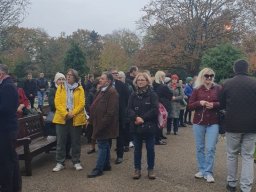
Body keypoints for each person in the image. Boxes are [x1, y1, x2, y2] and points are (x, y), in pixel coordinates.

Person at [219, 59, 256, 192]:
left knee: (232, 154)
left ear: (235, 69)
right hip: (252, 126)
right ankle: (246, 187)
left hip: (233, 124)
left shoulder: (227, 84)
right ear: (247, 69)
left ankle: (232, 183)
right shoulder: (254, 83)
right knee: (248, 156)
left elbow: (221, 104)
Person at [188, 68, 220, 183]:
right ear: (202, 76)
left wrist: (214, 104)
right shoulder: (196, 89)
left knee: (211, 148)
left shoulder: (218, 88)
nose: (209, 78)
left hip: (213, 122)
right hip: (199, 122)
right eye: (207, 76)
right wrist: (199, 103)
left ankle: (208, 172)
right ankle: (202, 169)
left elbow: (223, 103)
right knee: (200, 147)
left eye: (211, 75)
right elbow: (190, 106)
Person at [52, 69, 87, 172]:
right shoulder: (61, 87)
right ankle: (60, 162)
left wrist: (72, 113)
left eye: (70, 75)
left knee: (76, 141)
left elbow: (82, 103)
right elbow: (57, 102)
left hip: (75, 117)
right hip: (62, 117)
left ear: (75, 77)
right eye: (67, 75)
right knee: (61, 141)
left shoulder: (80, 88)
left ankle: (76, 161)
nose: (68, 77)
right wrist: (66, 113)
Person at [87, 72, 119, 178]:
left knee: (101, 145)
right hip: (99, 123)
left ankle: (98, 169)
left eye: (102, 78)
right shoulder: (101, 90)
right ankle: (106, 165)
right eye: (100, 78)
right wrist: (91, 120)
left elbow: (110, 112)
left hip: (105, 125)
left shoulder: (112, 92)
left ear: (108, 81)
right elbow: (94, 106)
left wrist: (101, 125)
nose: (100, 80)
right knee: (104, 145)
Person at [128, 72, 159, 180]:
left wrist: (143, 118)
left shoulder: (152, 94)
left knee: (150, 149)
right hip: (136, 125)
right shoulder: (133, 94)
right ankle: (137, 169)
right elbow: (129, 109)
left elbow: (155, 109)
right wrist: (136, 118)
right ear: (136, 82)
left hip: (149, 125)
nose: (140, 82)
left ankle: (150, 169)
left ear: (147, 81)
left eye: (142, 80)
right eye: (138, 80)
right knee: (137, 149)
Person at [0, 64, 21, 192]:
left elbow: (6, 109)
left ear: (1, 73)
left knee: (6, 161)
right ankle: (13, 187)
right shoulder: (7, 85)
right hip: (7, 128)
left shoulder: (7, 86)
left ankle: (8, 188)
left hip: (6, 129)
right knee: (10, 159)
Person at [110, 69, 129, 164]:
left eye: (117, 73)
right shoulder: (107, 85)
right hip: (109, 115)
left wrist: (125, 112)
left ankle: (120, 155)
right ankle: (106, 155)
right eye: (113, 73)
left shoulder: (122, 85)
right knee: (108, 136)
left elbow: (127, 99)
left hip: (120, 114)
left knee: (120, 136)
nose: (116, 75)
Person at [153, 71, 172, 144]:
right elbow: (169, 95)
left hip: (156, 104)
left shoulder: (154, 85)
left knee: (157, 121)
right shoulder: (163, 86)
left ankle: (159, 137)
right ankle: (158, 139)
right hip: (163, 105)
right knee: (161, 122)